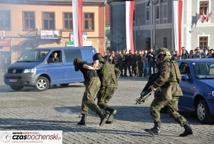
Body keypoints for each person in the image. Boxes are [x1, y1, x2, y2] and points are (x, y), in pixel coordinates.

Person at [144, 48, 193, 137]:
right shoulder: (174, 63)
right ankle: (187, 127)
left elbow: (164, 77)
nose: (159, 58)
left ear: (165, 55)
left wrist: (154, 85)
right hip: (176, 90)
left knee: (154, 107)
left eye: (160, 56)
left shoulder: (166, 64)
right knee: (172, 111)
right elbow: (178, 78)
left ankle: (156, 128)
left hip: (168, 90)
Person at [73, 57, 108, 126]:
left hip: (93, 81)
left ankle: (102, 115)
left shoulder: (81, 63)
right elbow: (94, 64)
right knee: (85, 99)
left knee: (88, 100)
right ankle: (83, 119)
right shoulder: (86, 62)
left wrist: (93, 68)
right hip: (96, 81)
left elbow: (86, 67)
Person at [94, 53, 121, 124]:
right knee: (104, 102)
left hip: (106, 86)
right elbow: (118, 71)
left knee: (100, 103)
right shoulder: (110, 65)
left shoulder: (100, 66)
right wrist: (115, 80)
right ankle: (109, 118)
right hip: (114, 86)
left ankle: (111, 111)